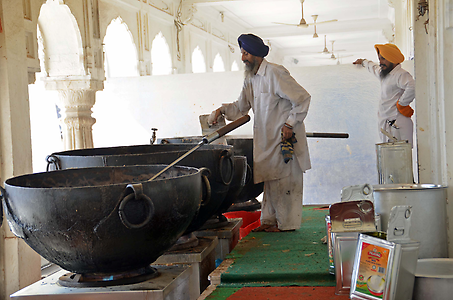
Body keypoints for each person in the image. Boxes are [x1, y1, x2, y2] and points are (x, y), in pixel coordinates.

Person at [207, 33, 311, 232]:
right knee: (271, 182)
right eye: (242, 53)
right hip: (265, 140)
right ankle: (269, 222)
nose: (243, 58)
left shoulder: (275, 73)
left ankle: (286, 225)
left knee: (284, 181)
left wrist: (290, 124)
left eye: (246, 53)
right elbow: (240, 107)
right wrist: (221, 110)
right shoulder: (251, 79)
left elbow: (303, 99)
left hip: (283, 139)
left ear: (255, 54)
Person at [353, 44, 415, 146]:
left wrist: (402, 104)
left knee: (400, 157)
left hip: (397, 124)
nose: (381, 62)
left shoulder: (401, 74)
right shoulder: (386, 74)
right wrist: (363, 62)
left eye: (384, 59)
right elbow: (374, 68)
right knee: (390, 157)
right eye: (380, 58)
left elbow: (412, 87)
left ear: (393, 59)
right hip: (389, 124)